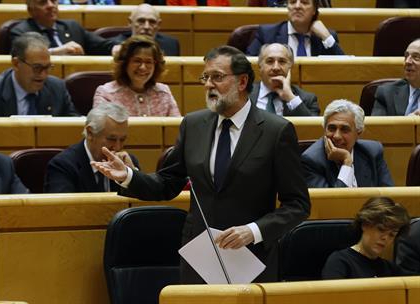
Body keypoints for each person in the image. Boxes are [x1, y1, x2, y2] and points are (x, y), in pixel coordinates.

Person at [91, 45, 310, 283]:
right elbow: (167, 183)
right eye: (206, 77)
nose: (208, 85)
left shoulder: (275, 131)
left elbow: (297, 204)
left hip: (253, 258)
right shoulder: (194, 124)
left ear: (242, 81)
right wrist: (128, 176)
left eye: (217, 77)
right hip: (200, 257)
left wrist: (254, 231)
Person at [0, 32, 79, 117]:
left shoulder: (57, 88)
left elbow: (72, 128)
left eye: (47, 67)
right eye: (37, 68)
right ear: (16, 64)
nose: (43, 75)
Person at [44, 103, 139, 193]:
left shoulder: (128, 163)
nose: (117, 147)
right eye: (111, 139)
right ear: (90, 133)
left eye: (122, 139)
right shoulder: (63, 165)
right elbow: (62, 209)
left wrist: (132, 176)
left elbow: (142, 206)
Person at [301, 99, 393, 188]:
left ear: (358, 133)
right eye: (332, 128)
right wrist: (347, 163)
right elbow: (332, 202)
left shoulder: (373, 152)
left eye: (345, 129)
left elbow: (388, 196)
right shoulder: (312, 161)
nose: (337, 136)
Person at [322, 197, 410, 279]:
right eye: (381, 229)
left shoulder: (391, 270)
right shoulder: (339, 262)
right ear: (365, 224)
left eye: (392, 234)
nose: (385, 238)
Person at [93, 35, 181, 117]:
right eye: (137, 61)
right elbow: (100, 130)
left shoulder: (164, 92)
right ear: (125, 63)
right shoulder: (106, 93)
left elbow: (176, 129)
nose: (143, 67)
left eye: (148, 62)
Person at [10, 0, 116, 55]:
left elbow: (103, 45)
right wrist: (56, 52)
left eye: (53, 0)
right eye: (43, 2)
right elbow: (24, 56)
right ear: (31, 10)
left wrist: (116, 48)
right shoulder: (21, 31)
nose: (51, 5)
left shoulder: (72, 26)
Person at [246, 0, 344, 57]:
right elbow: (248, 65)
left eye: (304, 2)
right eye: (292, 2)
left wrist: (327, 38)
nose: (297, 6)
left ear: (314, 9)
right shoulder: (267, 34)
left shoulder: (325, 37)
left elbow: (346, 70)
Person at [250, 43, 320, 116]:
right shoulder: (244, 94)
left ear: (291, 67)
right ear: (260, 67)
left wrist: (290, 97)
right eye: (270, 61)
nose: (276, 68)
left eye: (282, 61)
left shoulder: (308, 100)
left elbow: (311, 127)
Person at [372, 39, 420, 116]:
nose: (407, 61)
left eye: (416, 57)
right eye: (406, 56)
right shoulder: (386, 93)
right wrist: (407, 124)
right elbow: (378, 127)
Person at [109, 4, 180, 56]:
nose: (146, 27)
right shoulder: (115, 44)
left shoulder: (171, 45)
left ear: (158, 25)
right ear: (130, 22)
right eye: (141, 21)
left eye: (152, 22)